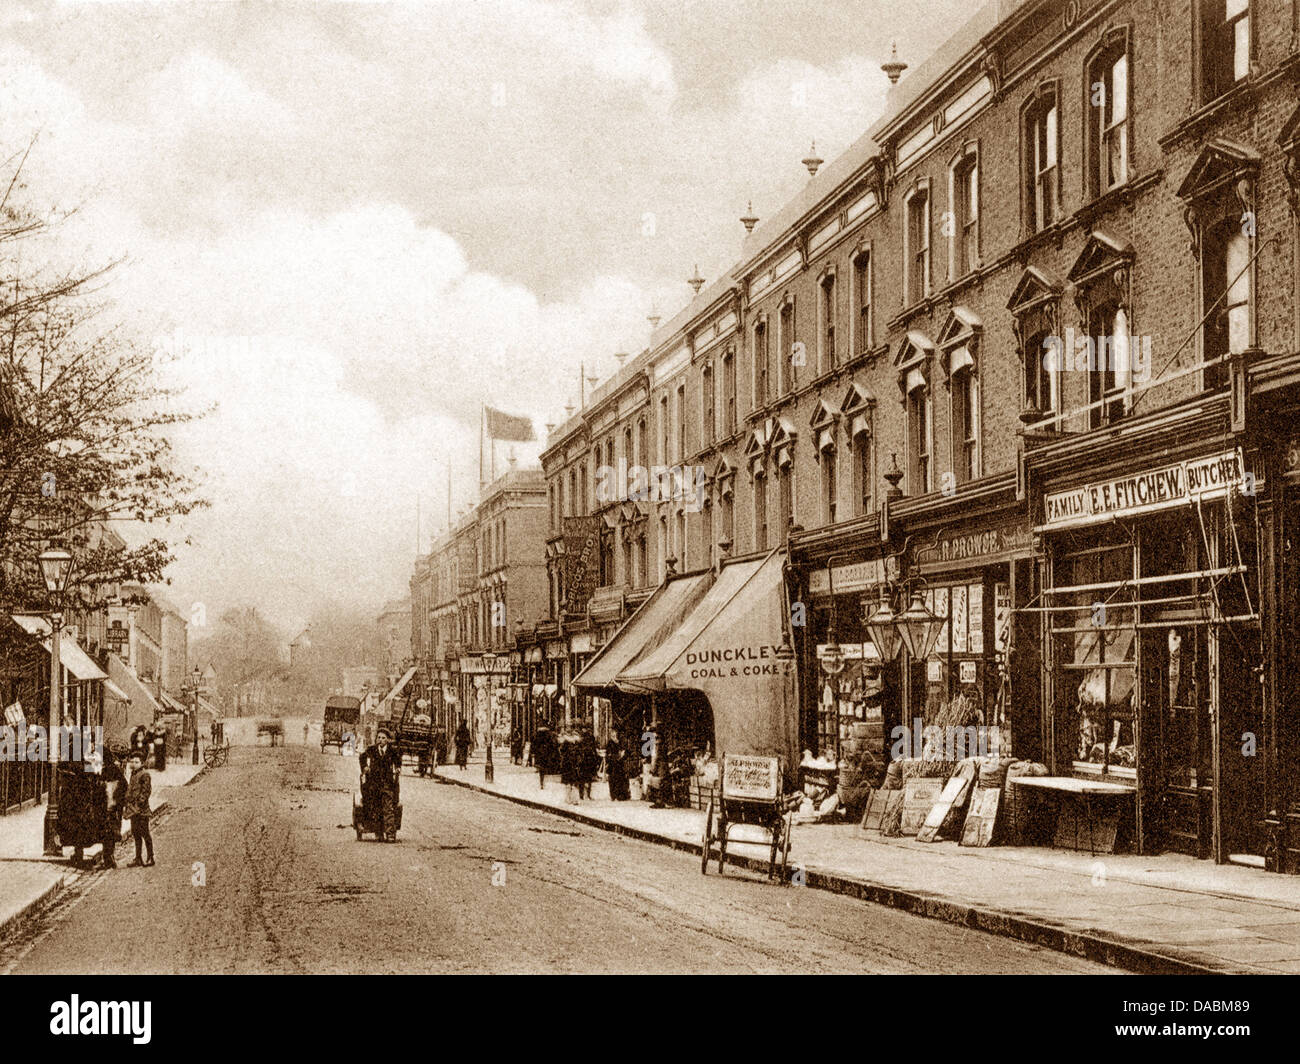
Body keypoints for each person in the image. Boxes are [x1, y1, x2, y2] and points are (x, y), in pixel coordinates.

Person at [359, 726, 402, 841]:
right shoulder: (372, 749)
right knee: (375, 807)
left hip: (387, 783)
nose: (380, 740)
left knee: (388, 807)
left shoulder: (392, 751)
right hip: (374, 783)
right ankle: (378, 832)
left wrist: (398, 768)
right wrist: (365, 767)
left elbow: (398, 760)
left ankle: (390, 834)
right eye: (379, 737)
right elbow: (362, 757)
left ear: (387, 739)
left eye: (383, 738)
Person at [121, 752, 154, 867]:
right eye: (133, 762)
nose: (134, 764)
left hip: (142, 810)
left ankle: (150, 857)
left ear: (142, 763)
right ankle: (138, 858)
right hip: (133, 809)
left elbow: (146, 791)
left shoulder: (145, 774)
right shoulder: (133, 774)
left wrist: (139, 803)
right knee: (136, 834)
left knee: (145, 833)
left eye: (137, 762)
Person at [98, 748, 126, 869]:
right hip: (108, 807)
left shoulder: (110, 770)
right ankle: (109, 857)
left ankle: (108, 857)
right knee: (107, 832)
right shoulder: (114, 769)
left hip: (110, 806)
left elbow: (121, 787)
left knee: (109, 832)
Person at [606, 727, 629, 802]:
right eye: (612, 734)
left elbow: (624, 751)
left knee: (620, 779)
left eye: (614, 733)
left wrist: (622, 755)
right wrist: (616, 756)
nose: (613, 735)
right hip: (612, 764)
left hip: (619, 764)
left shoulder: (620, 742)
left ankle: (620, 795)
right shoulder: (609, 743)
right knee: (612, 780)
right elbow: (608, 754)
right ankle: (613, 796)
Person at [577, 725, 599, 800]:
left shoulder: (583, 738)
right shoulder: (588, 737)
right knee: (586, 779)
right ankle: (585, 795)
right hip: (586, 761)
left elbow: (593, 749)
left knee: (584, 779)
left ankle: (583, 795)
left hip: (586, 761)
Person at [533, 720, 556, 789]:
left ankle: (542, 783)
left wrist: (534, 753)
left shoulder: (537, 734)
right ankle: (546, 782)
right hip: (547, 752)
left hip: (539, 753)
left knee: (541, 770)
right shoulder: (549, 734)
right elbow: (552, 744)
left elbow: (534, 744)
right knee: (547, 767)